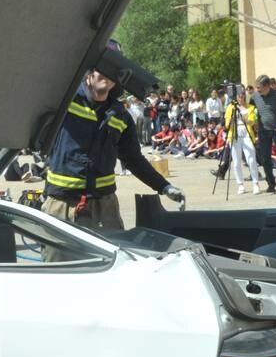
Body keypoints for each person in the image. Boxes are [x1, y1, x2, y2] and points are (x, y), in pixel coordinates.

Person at [43, 59, 183, 229]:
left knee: (113, 255)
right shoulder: (64, 101)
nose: (108, 75)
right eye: (104, 69)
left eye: (113, 72)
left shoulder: (120, 115)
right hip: (62, 206)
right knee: (62, 256)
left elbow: (134, 160)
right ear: (89, 73)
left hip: (106, 209)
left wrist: (164, 186)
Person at [222, 86, 262, 195]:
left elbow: (252, 121)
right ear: (236, 97)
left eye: (243, 95)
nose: (241, 97)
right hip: (234, 135)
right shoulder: (231, 107)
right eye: (239, 95)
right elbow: (227, 125)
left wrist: (243, 117)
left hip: (247, 134)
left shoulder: (251, 107)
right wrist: (232, 119)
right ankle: (240, 184)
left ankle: (256, 183)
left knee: (251, 159)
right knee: (236, 162)